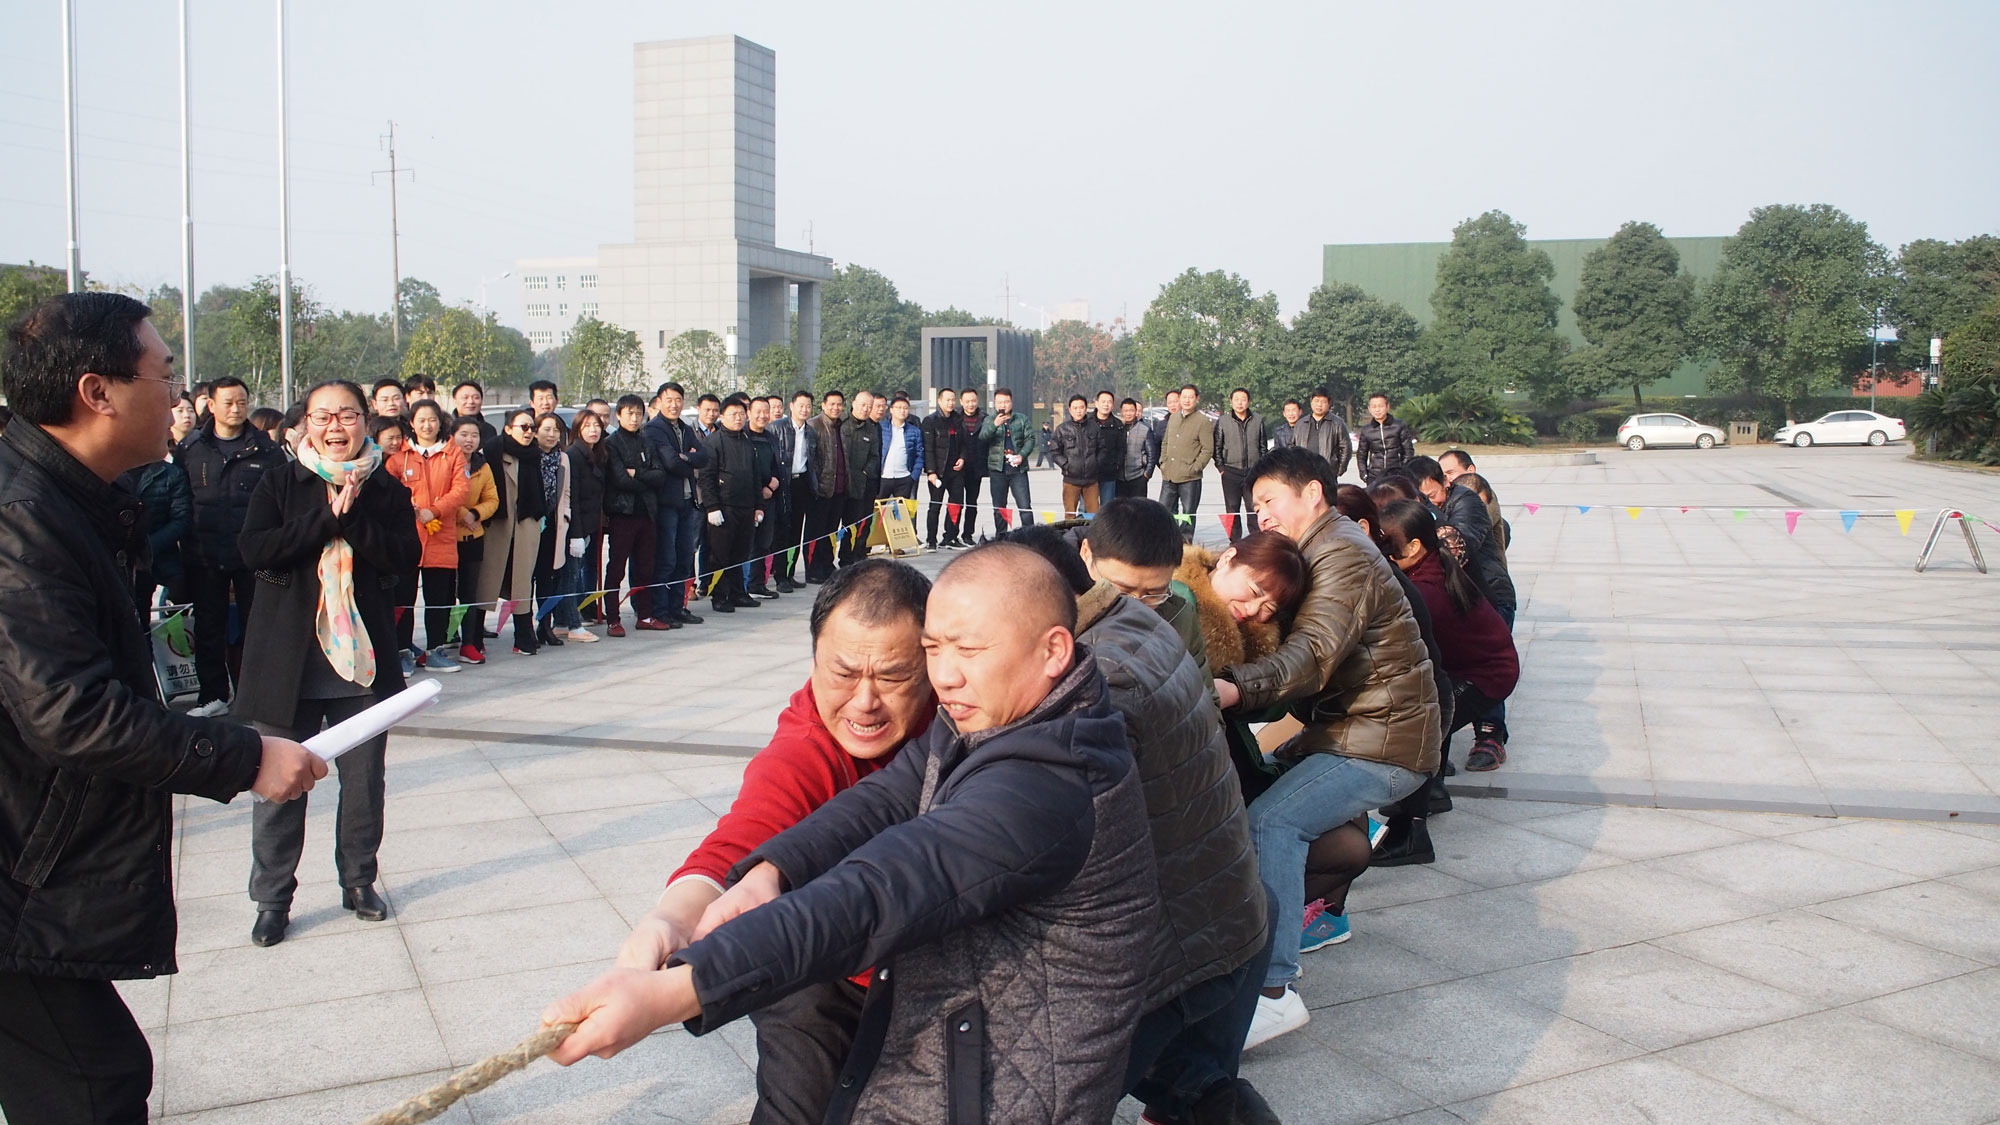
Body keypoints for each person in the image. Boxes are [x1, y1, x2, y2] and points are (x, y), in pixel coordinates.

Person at [544, 545, 1161, 1125]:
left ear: (1053, 651)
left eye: (966, 651)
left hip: (1006, 1078)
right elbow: (882, 799)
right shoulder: (996, 714)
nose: (945, 676)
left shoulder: (1047, 781)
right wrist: (766, 876)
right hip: (947, 1026)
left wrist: (676, 991)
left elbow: (880, 889)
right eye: (935, 649)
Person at [0, 292, 326, 1125]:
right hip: (17, 874)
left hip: (28, 858)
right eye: (164, 373)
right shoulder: (22, 517)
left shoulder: (68, 497)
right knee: (92, 1081)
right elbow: (72, 710)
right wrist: (246, 757)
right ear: (96, 391)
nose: (175, 396)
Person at [613, 560, 935, 1125]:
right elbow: (740, 839)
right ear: (813, 659)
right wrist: (670, 921)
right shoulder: (805, 749)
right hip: (817, 966)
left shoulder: (962, 720)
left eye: (891, 677)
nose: (864, 702)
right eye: (842, 673)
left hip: (929, 964)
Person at [1003, 525, 1278, 1125]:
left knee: (1053, 1099)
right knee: (1189, 1084)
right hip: (1224, 907)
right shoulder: (1144, 626)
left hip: (1182, 935)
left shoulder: (1101, 674)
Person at [1215, 446, 1438, 1048]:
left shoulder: (1340, 552)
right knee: (1269, 802)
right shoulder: (1318, 548)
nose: (1261, 515)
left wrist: (1229, 690)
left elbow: (1311, 655)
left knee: (1271, 825)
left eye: (1269, 501)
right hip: (1360, 731)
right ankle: (1305, 919)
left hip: (1381, 744)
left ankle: (1275, 990)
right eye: (1255, 504)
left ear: (1312, 493)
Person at [237, 378, 421, 946]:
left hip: (359, 665)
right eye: (323, 417)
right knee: (278, 788)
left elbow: (404, 558)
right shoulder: (279, 480)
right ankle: (272, 899)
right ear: (304, 425)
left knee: (364, 782)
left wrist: (353, 521)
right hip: (284, 665)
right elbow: (256, 550)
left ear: (366, 422)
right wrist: (324, 520)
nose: (334, 427)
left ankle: (359, 880)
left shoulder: (385, 489)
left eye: (346, 415)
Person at [1374, 499, 1518, 862]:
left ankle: (1413, 835)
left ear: (1415, 547)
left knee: (1418, 730)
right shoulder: (1430, 567)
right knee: (1427, 723)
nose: (1383, 557)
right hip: (1471, 666)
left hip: (1486, 674)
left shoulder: (1426, 591)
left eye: (1388, 549)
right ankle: (1431, 792)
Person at [180, 374, 285, 716]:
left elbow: (280, 501)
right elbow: (181, 498)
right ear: (210, 405)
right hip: (205, 554)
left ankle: (253, 695)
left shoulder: (267, 450)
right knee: (209, 627)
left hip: (253, 555)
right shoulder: (192, 448)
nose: (236, 409)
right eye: (228, 402)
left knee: (257, 627)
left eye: (242, 402)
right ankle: (212, 695)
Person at [385, 401, 469, 675]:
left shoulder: (452, 453)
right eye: (421, 420)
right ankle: (401, 651)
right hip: (407, 538)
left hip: (441, 536)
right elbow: (389, 489)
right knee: (403, 598)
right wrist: (408, 508)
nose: (427, 425)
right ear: (411, 423)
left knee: (439, 598)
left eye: (432, 419)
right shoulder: (400, 456)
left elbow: (460, 490)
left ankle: (436, 650)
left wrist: (433, 511)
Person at [477, 408, 557, 653]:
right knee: (487, 583)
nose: (529, 432)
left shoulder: (533, 455)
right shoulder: (491, 452)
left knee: (522, 583)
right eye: (523, 427)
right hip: (497, 526)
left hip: (525, 526)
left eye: (532, 428)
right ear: (508, 429)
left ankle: (523, 636)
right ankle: (473, 638)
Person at [602, 395, 670, 636]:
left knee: (645, 568)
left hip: (647, 513)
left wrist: (637, 474)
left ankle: (645, 615)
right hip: (623, 513)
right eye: (629, 413)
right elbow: (620, 479)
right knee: (616, 569)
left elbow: (660, 476)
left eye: (638, 414)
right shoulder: (612, 443)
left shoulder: (646, 441)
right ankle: (612, 619)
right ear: (618, 415)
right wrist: (645, 477)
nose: (634, 418)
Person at [643, 381, 709, 628]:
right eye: (669, 400)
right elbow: (670, 463)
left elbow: (703, 456)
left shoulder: (684, 427)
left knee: (684, 558)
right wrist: (686, 460)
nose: (674, 405)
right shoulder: (654, 429)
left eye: (678, 400)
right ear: (659, 402)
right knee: (666, 559)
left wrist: (687, 458)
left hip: (687, 501)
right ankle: (661, 610)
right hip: (666, 504)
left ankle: (678, 607)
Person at [700, 396, 764, 614]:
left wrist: (759, 506)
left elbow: (756, 476)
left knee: (740, 553)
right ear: (722, 416)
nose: (738, 418)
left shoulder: (747, 440)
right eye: (733, 414)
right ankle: (719, 595)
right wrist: (711, 507)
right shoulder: (713, 442)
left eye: (741, 414)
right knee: (720, 555)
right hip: (723, 507)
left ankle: (738, 592)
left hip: (746, 507)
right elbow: (706, 478)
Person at [118, 443, 192, 617]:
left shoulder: (171, 474)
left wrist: (146, 547)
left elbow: (182, 519)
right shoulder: (112, 471)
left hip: (159, 559)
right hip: (120, 561)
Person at [452, 417, 500, 664]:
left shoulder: (483, 466)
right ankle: (442, 641)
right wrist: (462, 513)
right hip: (445, 537)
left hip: (473, 535)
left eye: (474, 435)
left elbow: (493, 499)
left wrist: (476, 513)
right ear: (452, 436)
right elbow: (443, 493)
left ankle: (469, 643)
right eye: (463, 434)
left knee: (470, 592)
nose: (469, 440)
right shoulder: (444, 463)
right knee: (443, 593)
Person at [559, 408, 608, 641]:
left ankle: (561, 621)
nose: (593, 430)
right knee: (571, 577)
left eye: (597, 425)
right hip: (573, 528)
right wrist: (576, 534)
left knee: (573, 574)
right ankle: (573, 624)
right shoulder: (573, 455)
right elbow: (573, 498)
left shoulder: (595, 454)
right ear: (578, 429)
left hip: (588, 526)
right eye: (587, 425)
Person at [530, 412, 575, 648]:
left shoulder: (562, 458)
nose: (551, 434)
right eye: (546, 429)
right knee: (527, 578)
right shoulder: (528, 456)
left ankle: (544, 624)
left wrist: (564, 517)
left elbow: (565, 492)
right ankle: (525, 626)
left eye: (556, 430)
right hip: (529, 524)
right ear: (535, 431)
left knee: (549, 578)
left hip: (553, 524)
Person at [771, 390, 817, 590]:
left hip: (802, 484)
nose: (805, 409)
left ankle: (790, 573)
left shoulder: (811, 432)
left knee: (797, 532)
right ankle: (780, 576)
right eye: (801, 405)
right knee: (782, 532)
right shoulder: (777, 428)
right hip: (782, 484)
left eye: (808, 406)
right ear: (791, 406)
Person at [803, 390, 847, 583]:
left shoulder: (842, 426)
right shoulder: (814, 425)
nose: (835, 408)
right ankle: (812, 569)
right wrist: (816, 483)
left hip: (839, 488)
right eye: (832, 404)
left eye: (839, 404)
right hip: (820, 489)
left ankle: (827, 565)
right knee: (815, 532)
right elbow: (811, 460)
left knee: (831, 530)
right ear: (823, 405)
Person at [744, 395, 786, 597]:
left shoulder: (771, 438)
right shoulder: (742, 436)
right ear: (749, 413)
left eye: (765, 412)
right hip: (747, 497)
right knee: (747, 543)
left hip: (769, 496)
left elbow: (778, 466)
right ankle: (742, 586)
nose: (762, 416)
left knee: (764, 542)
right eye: (758, 411)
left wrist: (771, 486)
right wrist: (759, 488)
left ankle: (757, 584)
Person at [1214, 387, 1267, 542]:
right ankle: (1234, 541)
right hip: (1230, 471)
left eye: (1243, 399)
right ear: (1231, 402)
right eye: (1236, 399)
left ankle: (1256, 540)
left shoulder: (1258, 420)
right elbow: (1217, 446)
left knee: (1253, 507)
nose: (1240, 403)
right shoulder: (1223, 421)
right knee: (1232, 509)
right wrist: (1221, 468)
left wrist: (1261, 469)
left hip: (1253, 472)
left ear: (1248, 401)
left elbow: (1263, 446)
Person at [980, 386, 1035, 529]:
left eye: (1006, 402)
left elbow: (1030, 439)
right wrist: (994, 425)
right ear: (995, 403)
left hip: (1018, 470)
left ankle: (1030, 536)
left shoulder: (1022, 419)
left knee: (1025, 507)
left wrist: (1021, 456)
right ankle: (1001, 537)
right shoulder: (989, 420)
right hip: (998, 470)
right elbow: (983, 437)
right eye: (999, 402)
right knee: (999, 508)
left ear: (1011, 402)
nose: (1003, 405)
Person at [1159, 384, 1213, 525]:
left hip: (1190, 478)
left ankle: (1186, 543)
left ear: (1197, 399)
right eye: (1184, 397)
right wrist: (1163, 462)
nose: (1187, 400)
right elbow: (1165, 442)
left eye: (1190, 397)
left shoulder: (1203, 421)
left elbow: (1207, 449)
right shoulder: (1173, 418)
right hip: (1169, 475)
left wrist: (1195, 468)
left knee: (1188, 515)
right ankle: (1168, 543)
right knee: (1164, 512)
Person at [838, 390, 881, 567]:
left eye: (869, 406)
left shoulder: (871, 429)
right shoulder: (841, 424)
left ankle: (853, 556)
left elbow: (875, 456)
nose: (866, 409)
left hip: (862, 484)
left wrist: (865, 472)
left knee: (859, 523)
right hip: (840, 483)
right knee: (836, 526)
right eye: (863, 405)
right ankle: (828, 561)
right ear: (853, 403)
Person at [920, 386, 963, 549]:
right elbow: (928, 448)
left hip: (956, 470)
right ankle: (931, 539)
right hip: (938, 470)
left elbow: (964, 444)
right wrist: (931, 472)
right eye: (947, 399)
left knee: (956, 504)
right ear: (939, 401)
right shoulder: (930, 421)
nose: (951, 403)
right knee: (935, 505)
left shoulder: (958, 419)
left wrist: (963, 458)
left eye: (953, 399)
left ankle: (951, 537)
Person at [1050, 393, 1103, 516]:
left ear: (1086, 408)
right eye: (1075, 408)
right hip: (1071, 479)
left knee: (1094, 515)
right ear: (1070, 410)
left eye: (1081, 407)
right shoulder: (1062, 429)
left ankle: (1092, 535)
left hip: (1091, 480)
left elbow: (1102, 449)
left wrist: (1095, 463)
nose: (1078, 411)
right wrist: (1066, 465)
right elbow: (1054, 451)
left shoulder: (1094, 428)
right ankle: (1070, 535)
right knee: (1070, 515)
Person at [1292, 388, 1353, 480]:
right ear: (1311, 402)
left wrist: (1338, 470)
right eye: (1316, 401)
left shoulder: (1337, 423)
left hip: (1327, 473)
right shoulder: (1301, 424)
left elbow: (1346, 448)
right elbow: (1292, 447)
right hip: (1304, 473)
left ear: (1329, 404)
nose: (1319, 405)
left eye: (1323, 402)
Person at [1356, 393, 1415, 484]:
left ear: (1387, 407)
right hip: (1374, 475)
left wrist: (1403, 470)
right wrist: (1364, 473)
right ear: (1369, 409)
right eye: (1374, 407)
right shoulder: (1366, 430)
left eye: (1380, 406)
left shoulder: (1399, 426)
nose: (1377, 410)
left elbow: (1408, 451)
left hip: (1396, 474)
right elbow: (1361, 455)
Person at [955, 387, 987, 542]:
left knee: (972, 503)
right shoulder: (954, 418)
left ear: (977, 401)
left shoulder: (985, 418)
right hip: (958, 468)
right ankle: (952, 535)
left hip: (976, 468)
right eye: (967, 401)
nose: (970, 404)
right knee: (956, 502)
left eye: (973, 401)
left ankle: (968, 534)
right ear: (961, 402)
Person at [877, 393, 922, 502]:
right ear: (891, 410)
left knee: (900, 514)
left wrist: (913, 476)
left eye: (905, 408)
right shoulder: (880, 428)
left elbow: (920, 455)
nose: (903, 411)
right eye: (899, 408)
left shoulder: (914, 431)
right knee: (877, 512)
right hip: (883, 477)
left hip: (904, 478)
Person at [1114, 397, 1155, 503]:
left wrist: (1147, 474)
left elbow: (1152, 455)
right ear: (1121, 411)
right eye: (1126, 411)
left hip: (1138, 477)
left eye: (1131, 410)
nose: (1128, 413)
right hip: (1120, 478)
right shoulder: (1117, 428)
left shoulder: (1144, 429)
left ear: (1136, 412)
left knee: (1139, 510)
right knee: (1121, 510)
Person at [1090, 388, 1124, 502]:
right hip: (1088, 475)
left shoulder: (1118, 425)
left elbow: (1121, 448)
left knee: (1107, 508)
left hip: (1109, 473)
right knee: (1086, 509)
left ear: (1113, 405)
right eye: (1103, 401)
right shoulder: (1087, 422)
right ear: (1096, 403)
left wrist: (1117, 464)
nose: (1106, 405)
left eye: (1109, 402)